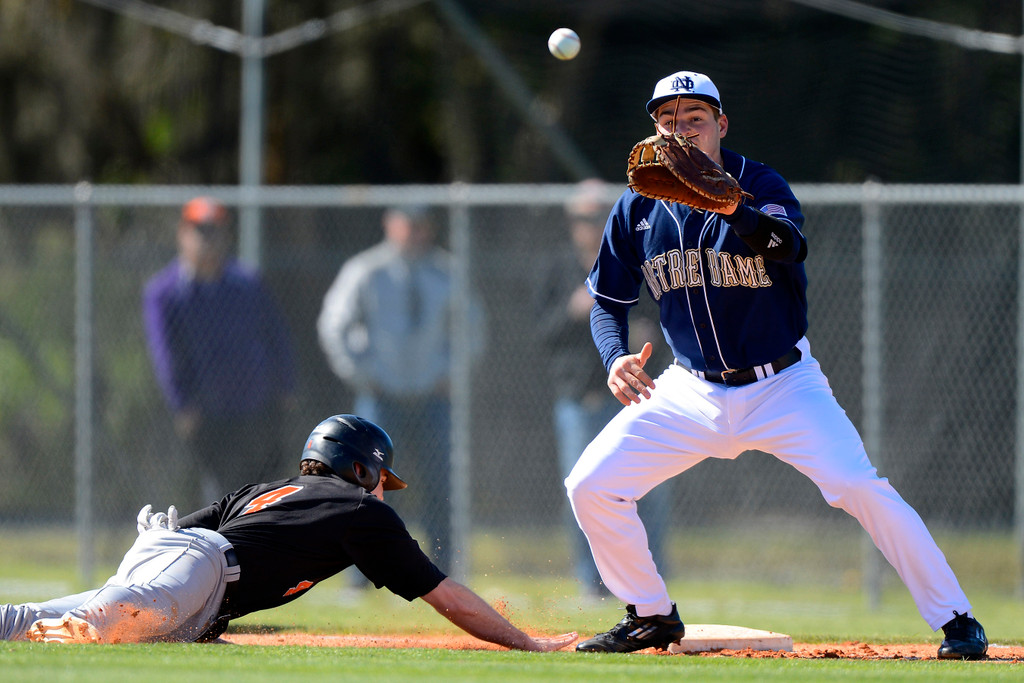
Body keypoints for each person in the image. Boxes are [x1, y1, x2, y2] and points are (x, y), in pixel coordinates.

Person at [565, 70, 988, 659]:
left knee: (857, 486)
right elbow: (607, 303)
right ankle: (650, 615)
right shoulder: (637, 205)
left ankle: (957, 620)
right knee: (591, 485)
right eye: (666, 120)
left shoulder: (758, 184)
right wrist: (613, 359)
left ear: (721, 125)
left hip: (783, 384)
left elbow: (785, 246)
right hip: (689, 390)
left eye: (693, 119)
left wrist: (732, 204)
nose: (679, 131)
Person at [0, 414, 578, 651]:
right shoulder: (359, 509)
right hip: (199, 569)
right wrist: (527, 642)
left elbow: (180, 534)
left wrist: (147, 565)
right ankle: (109, 609)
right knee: (102, 623)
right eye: (379, 477)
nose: (382, 490)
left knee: (32, 620)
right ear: (358, 468)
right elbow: (444, 594)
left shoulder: (266, 492)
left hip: (187, 573)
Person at [317, 206, 484, 574]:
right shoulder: (365, 270)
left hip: (433, 397)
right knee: (367, 488)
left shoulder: (447, 271)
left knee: (441, 485)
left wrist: (453, 373)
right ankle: (365, 572)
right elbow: (334, 325)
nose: (412, 233)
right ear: (389, 225)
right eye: (406, 224)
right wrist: (361, 374)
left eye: (420, 225)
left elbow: (472, 328)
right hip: (380, 398)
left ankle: (442, 569)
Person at [534, 180, 672, 599]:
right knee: (584, 489)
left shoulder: (635, 261)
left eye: (597, 216)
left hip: (636, 398)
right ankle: (591, 584)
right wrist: (576, 309)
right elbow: (543, 332)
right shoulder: (557, 267)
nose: (589, 225)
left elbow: (666, 320)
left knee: (648, 492)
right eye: (581, 218)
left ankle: (652, 583)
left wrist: (645, 332)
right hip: (583, 399)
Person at [142, 197, 296, 508]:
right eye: (200, 231)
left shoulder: (247, 283)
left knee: (265, 495)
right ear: (183, 234)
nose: (208, 240)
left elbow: (276, 336)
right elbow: (165, 355)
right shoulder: (166, 292)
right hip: (205, 414)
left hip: (256, 407)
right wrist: (182, 403)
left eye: (216, 231)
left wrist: (287, 386)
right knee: (216, 499)